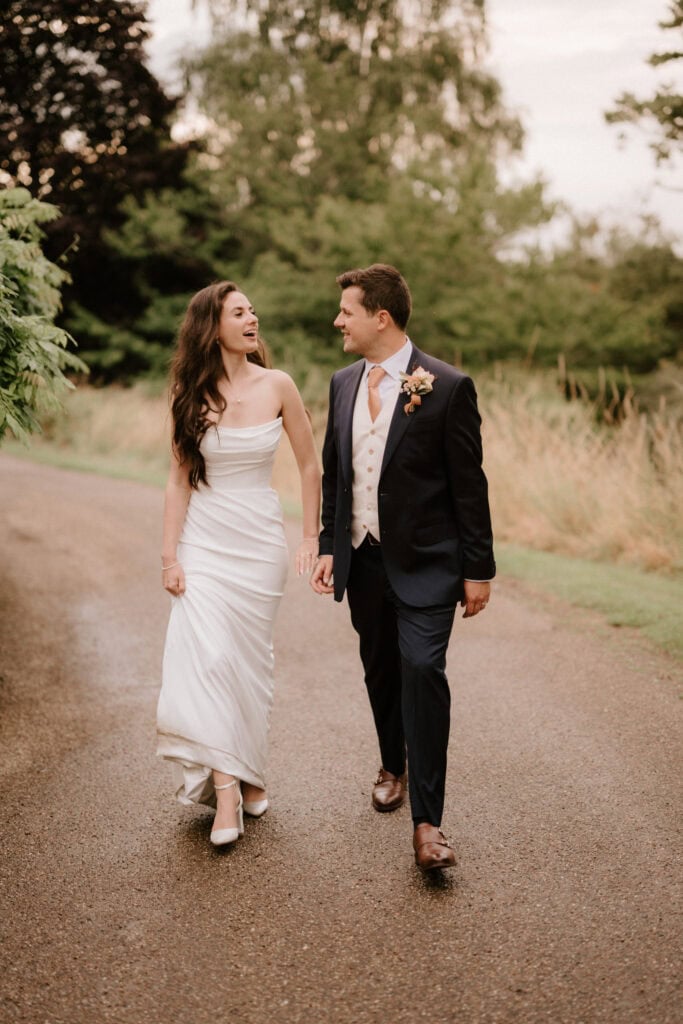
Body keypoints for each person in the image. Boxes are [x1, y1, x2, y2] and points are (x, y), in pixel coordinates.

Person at [310, 264, 495, 872]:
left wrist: (478, 568)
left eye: (347, 311)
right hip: (362, 559)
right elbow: (337, 473)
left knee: (421, 668)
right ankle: (393, 763)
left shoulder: (447, 386)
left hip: (429, 563)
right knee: (381, 668)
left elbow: (469, 486)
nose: (337, 321)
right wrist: (329, 546)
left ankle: (428, 825)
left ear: (380, 317)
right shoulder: (341, 383)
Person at [157, 281, 320, 849]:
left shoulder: (279, 385)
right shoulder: (188, 393)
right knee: (210, 659)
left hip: (258, 542)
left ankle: (249, 768)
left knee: (249, 665)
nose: (252, 319)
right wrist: (170, 556)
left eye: (252, 310)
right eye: (238, 312)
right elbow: (179, 480)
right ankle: (226, 791)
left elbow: (310, 466)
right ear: (212, 327)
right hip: (204, 541)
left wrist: (310, 536)